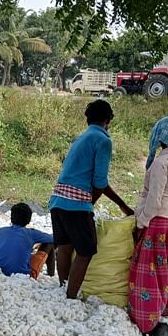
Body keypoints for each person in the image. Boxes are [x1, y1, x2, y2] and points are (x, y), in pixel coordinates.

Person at [49, 99, 134, 299]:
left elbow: (95, 181)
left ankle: (62, 287)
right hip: (75, 205)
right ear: (108, 119)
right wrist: (120, 206)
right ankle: (69, 297)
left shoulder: (80, 139)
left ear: (88, 119)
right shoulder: (103, 140)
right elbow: (100, 182)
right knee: (86, 251)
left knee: (64, 247)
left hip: (57, 200)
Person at [128, 116, 168, 334]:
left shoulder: (160, 162)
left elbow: (154, 200)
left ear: (158, 136)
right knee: (167, 270)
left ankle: (144, 319)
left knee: (149, 272)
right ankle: (164, 309)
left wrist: (141, 223)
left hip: (158, 224)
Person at [0, 202, 55, 278]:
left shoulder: (1, 231)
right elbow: (53, 238)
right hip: (24, 276)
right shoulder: (31, 233)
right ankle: (51, 274)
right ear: (28, 220)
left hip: (1, 271)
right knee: (49, 243)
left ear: (11, 218)